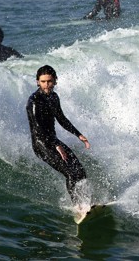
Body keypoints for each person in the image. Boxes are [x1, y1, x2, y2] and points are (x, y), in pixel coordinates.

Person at [26, 65, 91, 208]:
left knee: (80, 172)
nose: (46, 85)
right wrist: (56, 144)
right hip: (41, 145)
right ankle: (78, 207)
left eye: (49, 81)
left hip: (53, 141)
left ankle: (86, 203)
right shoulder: (34, 101)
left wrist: (78, 134)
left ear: (55, 81)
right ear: (37, 82)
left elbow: (61, 119)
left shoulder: (53, 97)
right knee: (70, 174)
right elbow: (39, 129)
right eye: (43, 82)